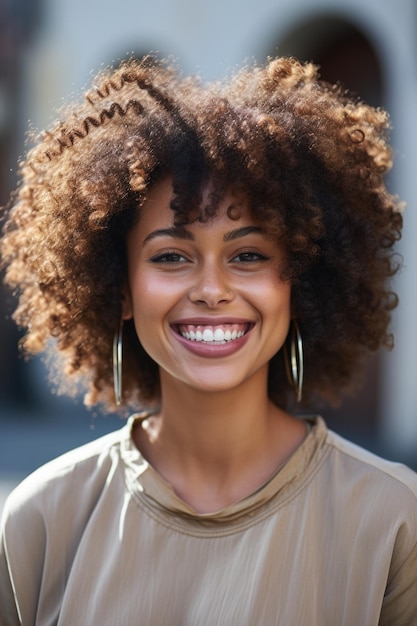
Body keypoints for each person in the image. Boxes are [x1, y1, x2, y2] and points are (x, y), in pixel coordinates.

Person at [0, 55, 416, 625]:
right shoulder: (39, 520)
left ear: (301, 281)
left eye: (249, 255)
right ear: (119, 288)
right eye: (171, 256)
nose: (212, 289)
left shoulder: (394, 519)